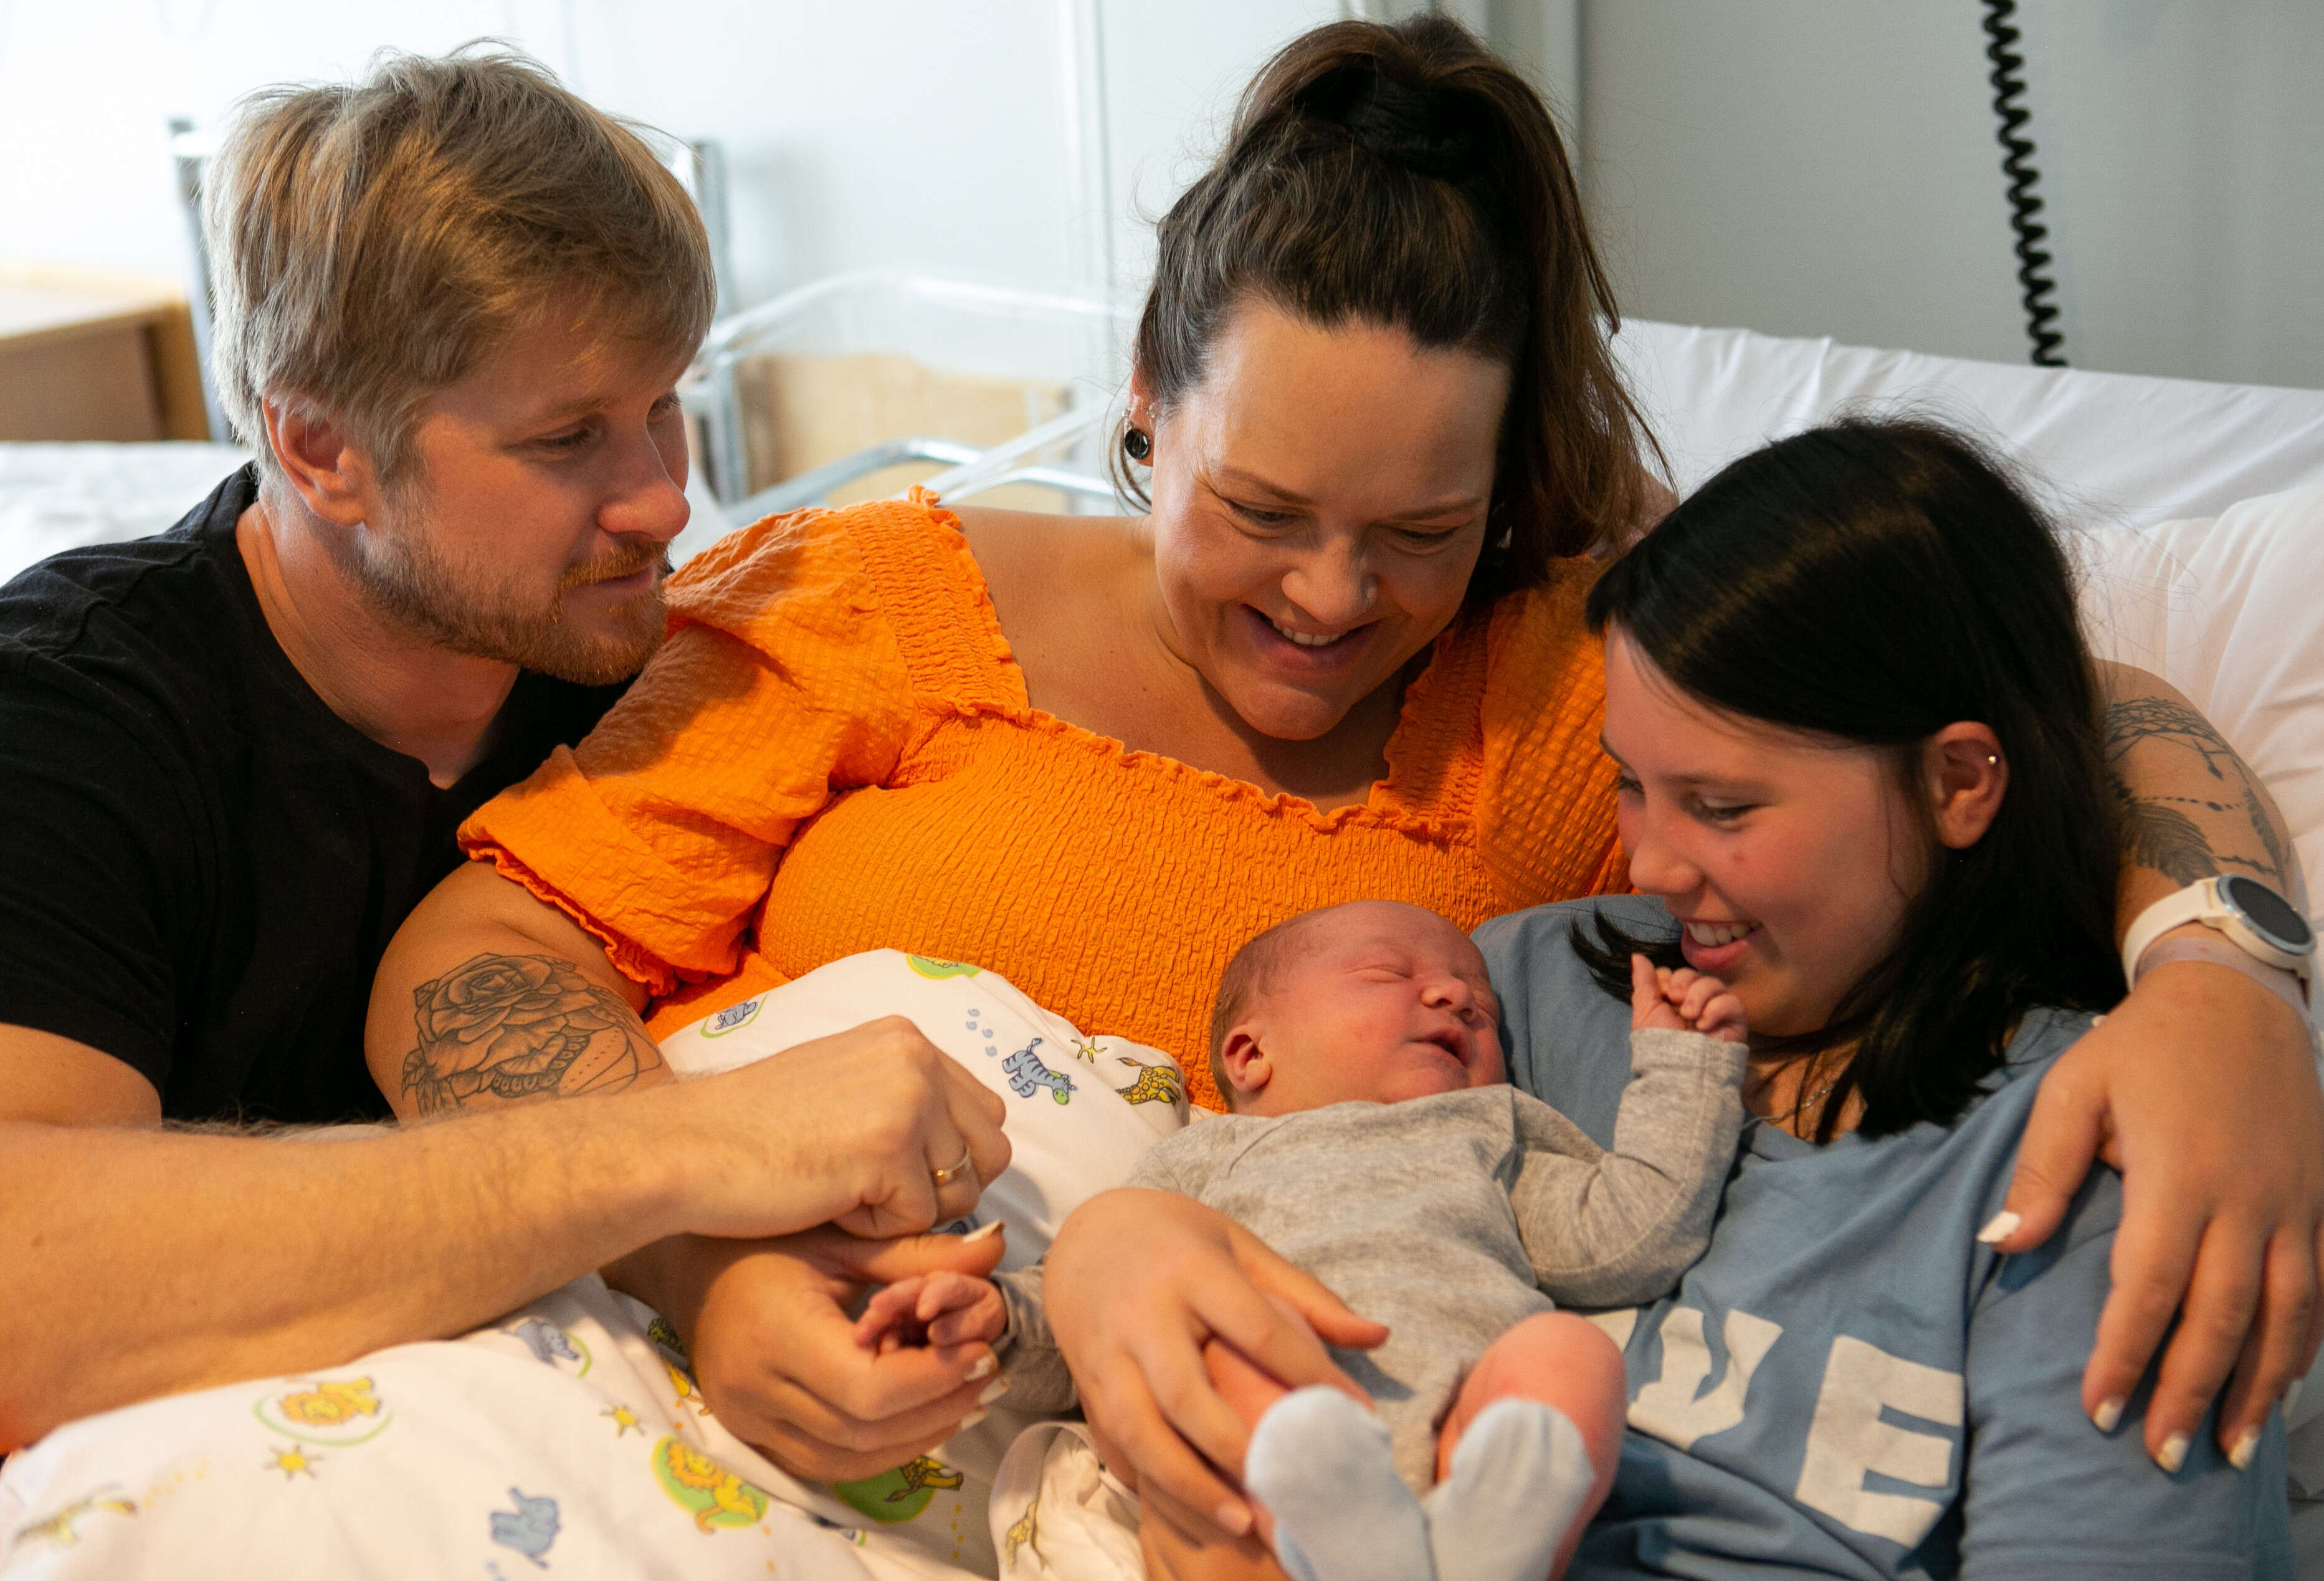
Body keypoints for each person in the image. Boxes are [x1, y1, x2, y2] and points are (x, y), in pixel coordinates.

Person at [383, 13, 2322, 1511]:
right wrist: (702, 1259)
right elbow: (477, 953)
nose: (1328, 597)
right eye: (1259, 508)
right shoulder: (881, 597)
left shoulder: (1574, 692)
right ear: (1147, 401)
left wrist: (2224, 986)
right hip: (675, 1364)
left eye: (1418, 532)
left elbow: (2071, 711)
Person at [1065, 421, 2298, 1579]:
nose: (1647, 865)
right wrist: (1104, 1250)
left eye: (1719, 806)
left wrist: (2225, 977)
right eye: (1629, 785)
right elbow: (1284, 1172)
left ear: (1955, 783)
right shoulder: (1523, 993)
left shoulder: (2098, 1160)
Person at [0, 49, 1007, 1454]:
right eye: (568, 437)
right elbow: (28, 1285)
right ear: (322, 449)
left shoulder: (670, 674)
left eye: (664, 405)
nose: (665, 502)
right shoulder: (69, 723)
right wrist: (684, 1149)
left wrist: (721, 1266)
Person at [860, 899, 1748, 1581]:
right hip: (1248, 1488)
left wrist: (1684, 1064)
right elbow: (1097, 1317)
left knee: (1568, 1355)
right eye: (1387, 973)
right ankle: (1331, 1529)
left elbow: (1626, 1239)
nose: (1457, 999)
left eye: (1480, 1006)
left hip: (1456, 1456)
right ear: (1250, 1055)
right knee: (1228, 1351)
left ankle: (1496, 1548)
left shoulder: (1491, 1132)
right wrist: (997, 1319)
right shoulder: (1202, 1155)